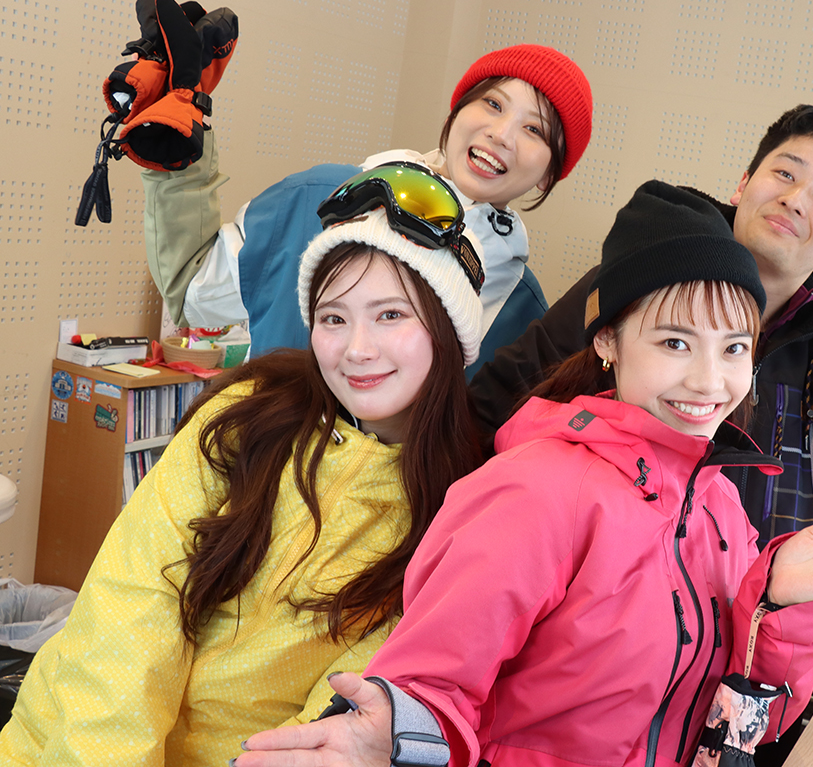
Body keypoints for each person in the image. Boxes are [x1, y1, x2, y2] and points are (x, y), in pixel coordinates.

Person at [235, 181, 813, 767]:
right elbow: (432, 689)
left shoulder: (719, 506)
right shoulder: (533, 492)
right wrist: (392, 732)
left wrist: (776, 603)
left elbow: (741, 730)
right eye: (674, 342)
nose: (709, 380)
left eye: (733, 348)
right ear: (608, 343)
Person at [0, 167, 487, 766]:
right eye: (333, 318)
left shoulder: (458, 512)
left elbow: (332, 719)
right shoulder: (248, 415)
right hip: (69, 743)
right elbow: (132, 604)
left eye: (390, 315)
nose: (357, 349)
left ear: (448, 328)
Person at [470, 104, 813, 542]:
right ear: (743, 184)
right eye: (784, 174)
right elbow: (497, 405)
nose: (794, 200)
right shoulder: (636, 285)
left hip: (752, 618)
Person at [144, 43, 593, 375]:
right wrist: (179, 164)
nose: (502, 134)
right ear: (455, 113)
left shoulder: (522, 314)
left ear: (548, 175)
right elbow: (194, 295)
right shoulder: (317, 197)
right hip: (261, 466)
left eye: (535, 130)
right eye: (493, 104)